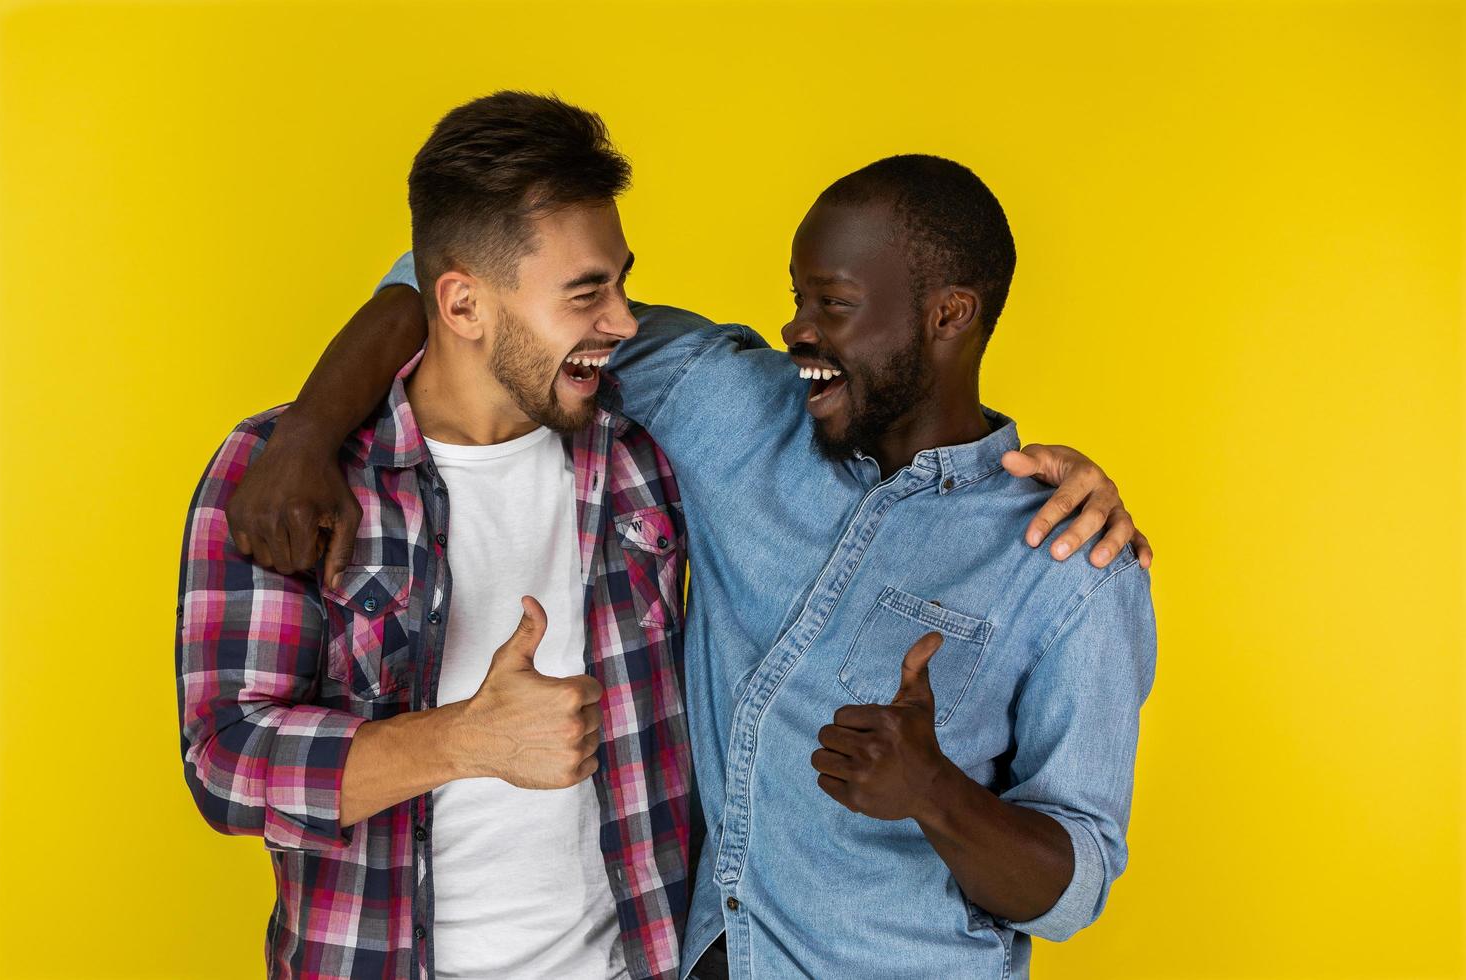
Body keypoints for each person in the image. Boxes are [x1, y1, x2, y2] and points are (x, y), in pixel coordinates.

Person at [220, 99, 1155, 978]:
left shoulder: (1069, 563)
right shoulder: (728, 406)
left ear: (949, 316)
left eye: (831, 304)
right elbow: (451, 285)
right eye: (796, 295)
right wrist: (307, 433)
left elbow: (1074, 887)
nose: (795, 329)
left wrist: (936, 792)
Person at [178, 93, 692, 980]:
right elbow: (226, 760)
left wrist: (1010, 469)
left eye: (620, 281)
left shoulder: (646, 457)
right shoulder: (285, 470)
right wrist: (468, 740)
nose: (625, 322)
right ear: (460, 305)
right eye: (586, 293)